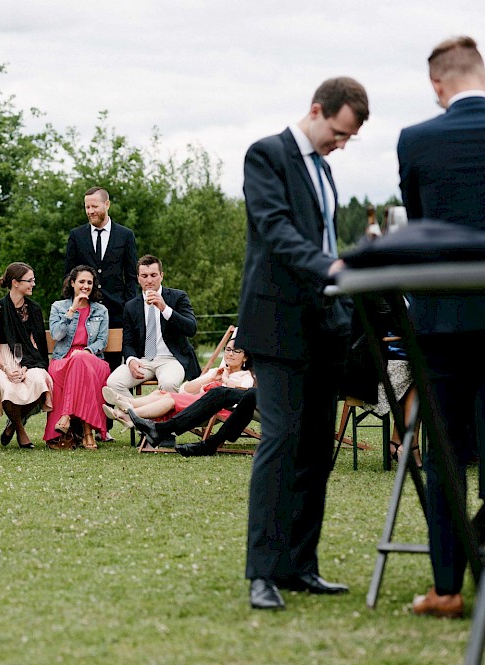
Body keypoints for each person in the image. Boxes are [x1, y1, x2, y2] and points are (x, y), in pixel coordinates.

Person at [239, 77, 368, 610]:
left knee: (317, 448)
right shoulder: (266, 154)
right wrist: (331, 266)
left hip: (324, 324)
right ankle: (263, 573)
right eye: (338, 132)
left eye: (348, 138)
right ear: (317, 110)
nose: (341, 143)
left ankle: (300, 566)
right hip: (275, 324)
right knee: (281, 440)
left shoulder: (326, 169)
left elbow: (325, 237)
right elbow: (275, 230)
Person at [396, 35, 485, 619]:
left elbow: (424, 230)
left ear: (436, 85)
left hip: (445, 322)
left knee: (446, 454)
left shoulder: (417, 140)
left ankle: (448, 589)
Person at [109, 337, 257, 456]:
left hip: (214, 409)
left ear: (245, 358)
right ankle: (127, 404)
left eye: (236, 351)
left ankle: (127, 413)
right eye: (228, 350)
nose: (230, 354)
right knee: (159, 394)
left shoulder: (245, 376)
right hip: (199, 402)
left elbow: (243, 397)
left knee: (168, 399)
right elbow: (185, 389)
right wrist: (210, 379)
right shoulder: (215, 371)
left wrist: (224, 379)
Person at [0, 262, 52, 448]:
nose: (33, 284)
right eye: (30, 280)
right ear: (15, 283)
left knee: (40, 380)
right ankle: (20, 429)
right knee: (7, 385)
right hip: (1, 359)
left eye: (34, 280)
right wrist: (6, 368)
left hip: (27, 358)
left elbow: (37, 345)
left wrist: (27, 366)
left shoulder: (34, 309)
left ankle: (13, 423)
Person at [105, 254, 199, 398]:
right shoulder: (130, 306)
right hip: (143, 360)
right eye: (144, 275)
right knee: (113, 382)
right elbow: (128, 342)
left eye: (153, 275)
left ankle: (165, 420)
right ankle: (137, 417)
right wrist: (131, 360)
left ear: (161, 276)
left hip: (171, 359)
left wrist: (164, 308)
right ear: (138, 278)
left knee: (169, 384)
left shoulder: (178, 297)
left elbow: (191, 328)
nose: (149, 280)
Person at [44, 265, 111, 450]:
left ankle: (66, 416)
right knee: (77, 362)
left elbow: (102, 341)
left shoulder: (100, 310)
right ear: (72, 283)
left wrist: (86, 352)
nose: (86, 286)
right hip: (63, 361)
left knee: (80, 359)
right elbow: (57, 335)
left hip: (93, 359)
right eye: (82, 281)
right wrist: (72, 310)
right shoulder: (58, 307)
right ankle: (87, 431)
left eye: (90, 282)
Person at [64, 187, 137, 333]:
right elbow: (69, 275)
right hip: (84, 313)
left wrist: (128, 308)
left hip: (117, 314)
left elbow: (131, 277)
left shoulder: (126, 235)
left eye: (94, 206)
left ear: (107, 204)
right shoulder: (76, 236)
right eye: (87, 207)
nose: (90, 211)